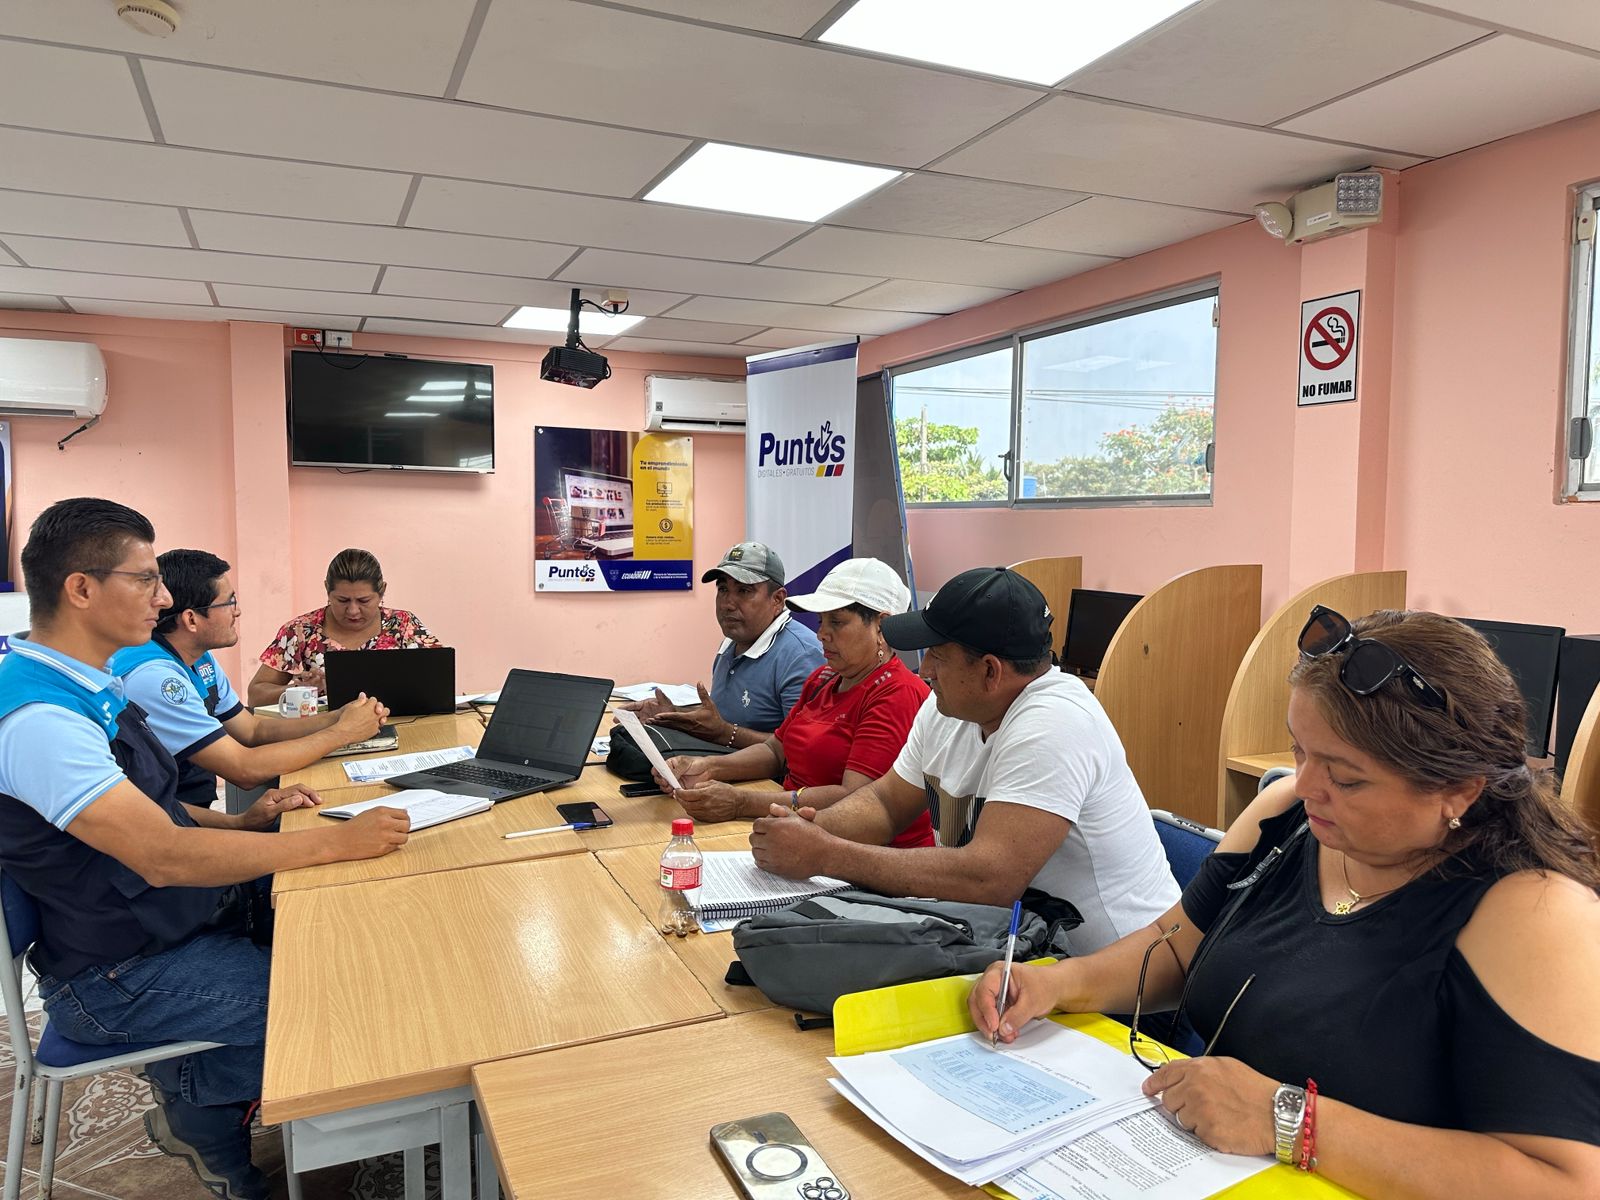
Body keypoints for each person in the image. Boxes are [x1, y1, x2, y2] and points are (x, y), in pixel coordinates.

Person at [969, 608, 1600, 1198]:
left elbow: (1567, 1183)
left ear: (1458, 790)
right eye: (1300, 750)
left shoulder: (1536, 914)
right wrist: (1055, 984)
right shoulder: (1286, 819)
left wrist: (1286, 1119)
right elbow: (1179, 948)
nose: (1306, 785)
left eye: (1346, 777)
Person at [0, 498, 411, 1200]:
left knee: (348, 935)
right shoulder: (42, 717)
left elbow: (150, 806)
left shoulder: (87, 680)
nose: (164, 600)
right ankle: (200, 1111)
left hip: (157, 922)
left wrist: (246, 829)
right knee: (335, 1003)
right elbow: (161, 853)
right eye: (145, 580)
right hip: (115, 971)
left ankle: (239, 1100)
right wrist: (334, 844)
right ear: (81, 588)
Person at [750, 566, 1178, 955]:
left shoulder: (1056, 723)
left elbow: (989, 879)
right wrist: (807, 831)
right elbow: (885, 804)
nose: (924, 670)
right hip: (1019, 954)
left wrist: (827, 855)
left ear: (990, 671)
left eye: (937, 655)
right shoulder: (948, 707)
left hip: (1124, 983)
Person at [660, 557, 934, 848]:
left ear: (882, 626)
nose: (821, 634)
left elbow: (854, 798)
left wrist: (741, 802)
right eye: (821, 621)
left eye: (837, 622)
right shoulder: (823, 679)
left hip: (865, 854)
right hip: (798, 832)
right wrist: (706, 767)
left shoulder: (897, 693)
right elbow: (775, 750)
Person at [111, 548, 391, 810]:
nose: (237, 611)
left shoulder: (198, 658)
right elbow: (244, 769)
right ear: (191, 620)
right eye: (229, 602)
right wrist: (343, 733)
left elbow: (253, 731)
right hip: (160, 824)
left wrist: (341, 716)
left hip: (181, 812)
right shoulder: (157, 679)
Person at [621, 541, 822, 750]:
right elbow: (724, 719)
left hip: (762, 772)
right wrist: (673, 715)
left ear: (777, 600)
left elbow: (803, 748)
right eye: (723, 589)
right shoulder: (733, 641)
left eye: (744, 591)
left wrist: (726, 734)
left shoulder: (802, 656)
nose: (727, 604)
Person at [247, 547, 439, 707]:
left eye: (364, 600)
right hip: (324, 733)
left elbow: (439, 682)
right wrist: (301, 690)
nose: (353, 611)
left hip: (402, 729)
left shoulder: (403, 625)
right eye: (342, 600)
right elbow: (256, 696)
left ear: (382, 591)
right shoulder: (300, 631)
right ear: (327, 590)